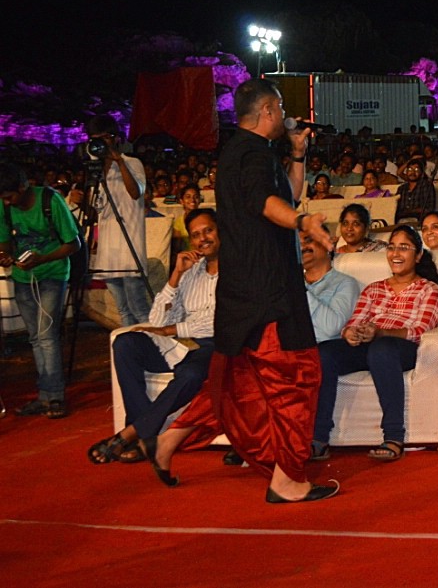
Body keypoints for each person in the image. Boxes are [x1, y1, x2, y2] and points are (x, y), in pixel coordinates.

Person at [141, 78, 339, 503]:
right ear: (267, 112)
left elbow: (282, 194)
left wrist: (298, 154)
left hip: (242, 291)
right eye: (281, 107)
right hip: (267, 292)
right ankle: (287, 480)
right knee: (296, 379)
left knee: (238, 383)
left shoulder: (245, 153)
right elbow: (269, 204)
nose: (284, 114)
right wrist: (304, 223)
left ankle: (168, 440)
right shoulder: (250, 156)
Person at [88, 209, 220, 464]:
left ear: (220, 231)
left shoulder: (239, 271)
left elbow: (221, 321)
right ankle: (144, 436)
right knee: (125, 342)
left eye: (208, 230)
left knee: (191, 374)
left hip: (218, 346)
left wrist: (172, 330)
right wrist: (176, 276)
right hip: (183, 345)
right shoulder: (190, 272)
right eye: (196, 235)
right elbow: (158, 319)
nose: (203, 238)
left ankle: (132, 432)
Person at [314, 226, 438, 461]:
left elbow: (420, 331)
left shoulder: (428, 289)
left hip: (403, 349)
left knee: (381, 349)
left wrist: (381, 332)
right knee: (324, 352)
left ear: (417, 256)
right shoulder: (373, 289)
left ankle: (394, 436)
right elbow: (353, 322)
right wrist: (351, 333)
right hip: (370, 344)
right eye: (392, 247)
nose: (395, 253)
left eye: (404, 248)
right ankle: (319, 437)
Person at [0, 162, 81, 419]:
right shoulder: (4, 205)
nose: (8, 203)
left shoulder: (50, 200)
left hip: (53, 274)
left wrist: (42, 259)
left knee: (46, 335)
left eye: (10, 197)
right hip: (24, 277)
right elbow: (5, 244)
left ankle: (55, 395)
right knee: (35, 337)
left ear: (23, 187)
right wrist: (5, 256)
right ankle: (45, 396)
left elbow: (73, 244)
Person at [300, 222, 360, 461]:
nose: (303, 247)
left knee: (321, 354)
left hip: (332, 349)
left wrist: (298, 290)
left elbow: (330, 328)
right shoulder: (286, 284)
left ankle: (318, 437)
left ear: (328, 244)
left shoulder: (344, 284)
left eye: (309, 240)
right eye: (300, 242)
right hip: (295, 345)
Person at [86, 114, 150, 326]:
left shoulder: (133, 163)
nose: (100, 144)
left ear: (114, 138)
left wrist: (118, 160)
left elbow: (135, 192)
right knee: (124, 312)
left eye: (103, 138)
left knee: (139, 309)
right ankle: (131, 354)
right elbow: (93, 211)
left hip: (129, 250)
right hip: (108, 254)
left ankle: (152, 352)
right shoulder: (96, 172)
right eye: (95, 139)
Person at [395, 157, 436, 224]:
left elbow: (429, 208)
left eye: (416, 169)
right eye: (410, 169)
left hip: (420, 220)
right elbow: (396, 208)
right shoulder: (401, 188)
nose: (412, 172)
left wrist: (411, 211)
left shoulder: (426, 185)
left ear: (422, 172)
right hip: (401, 220)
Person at [170, 183, 203, 255]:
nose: (192, 200)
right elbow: (177, 248)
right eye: (188, 197)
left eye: (196, 197)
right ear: (182, 201)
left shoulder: (205, 218)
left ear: (199, 200)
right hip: (188, 257)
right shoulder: (179, 222)